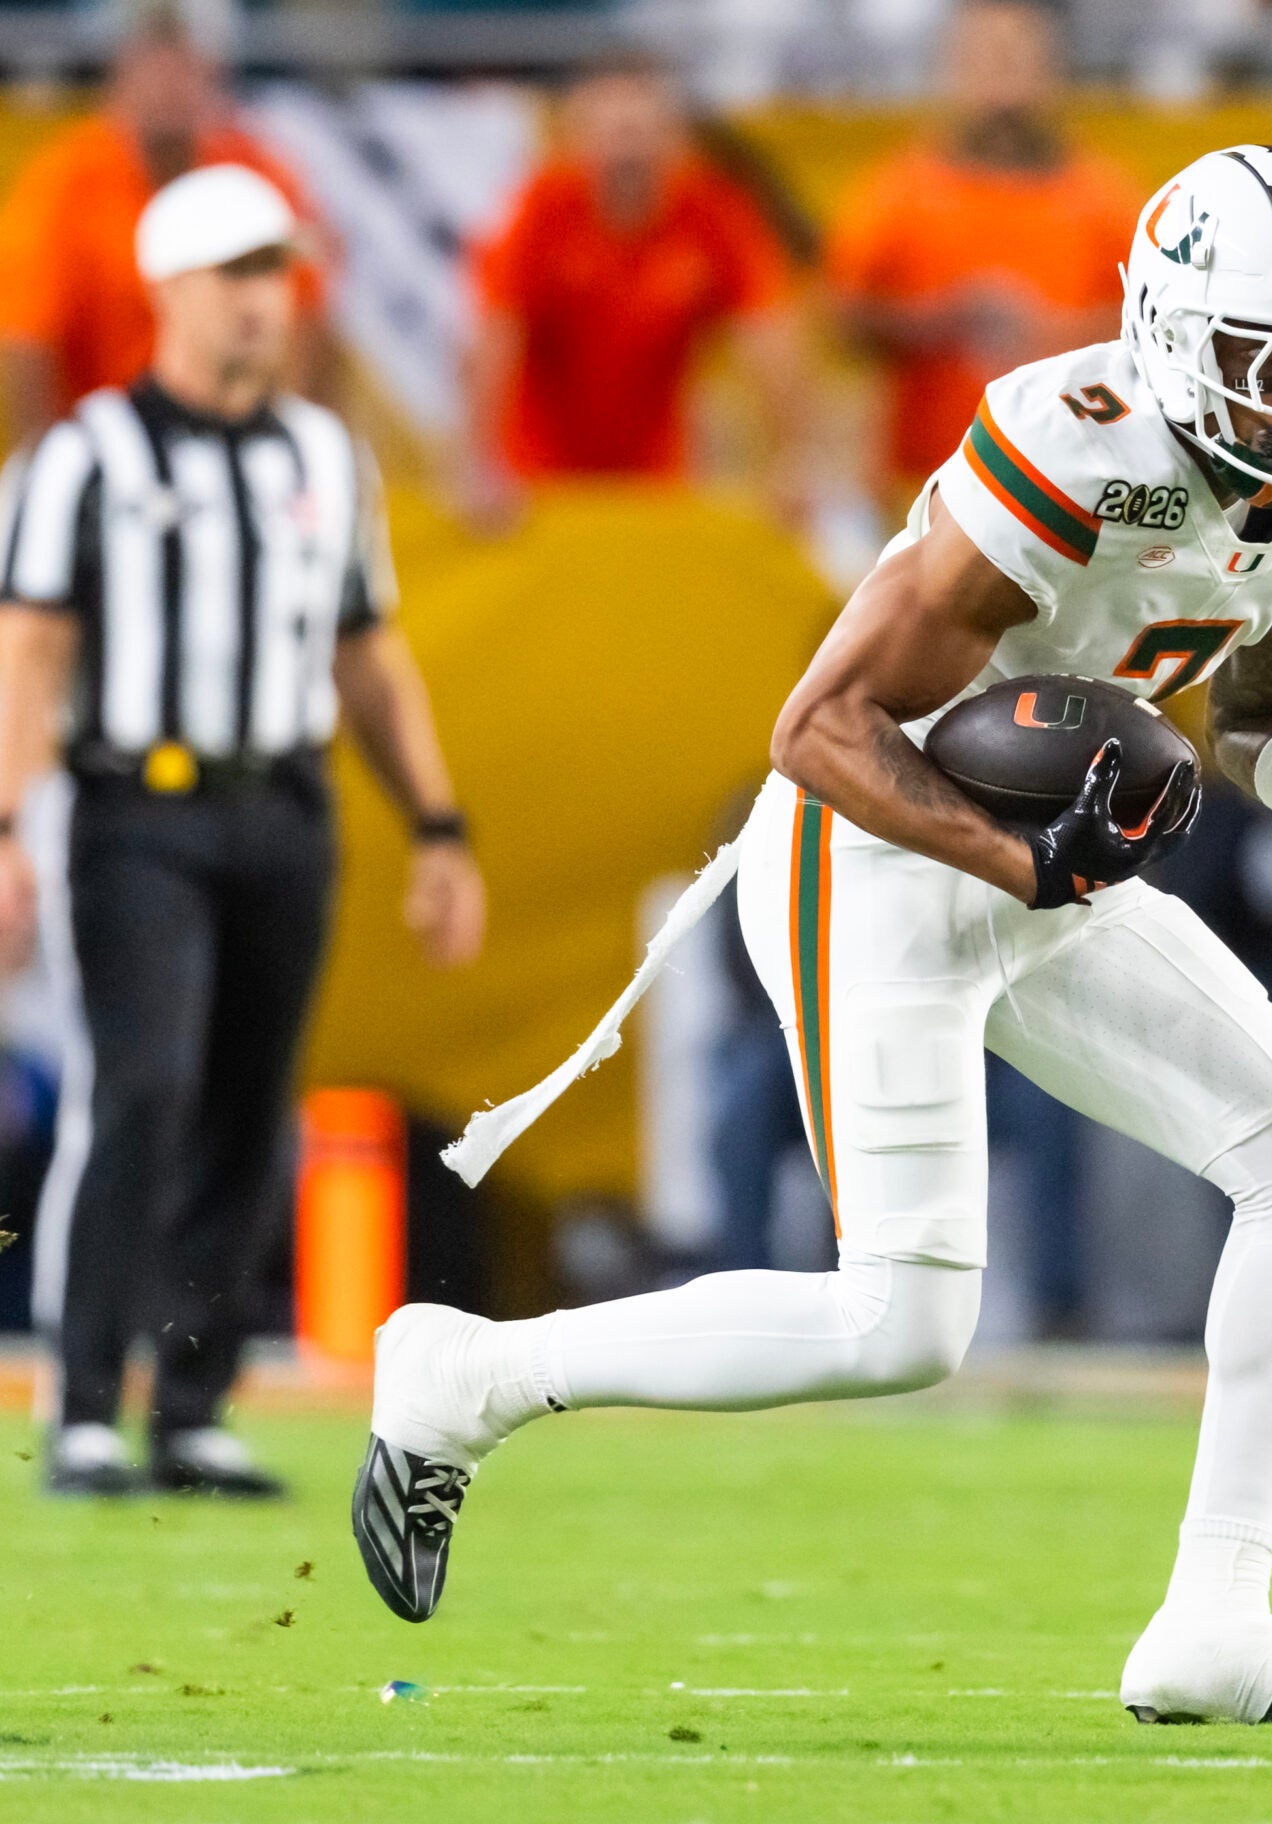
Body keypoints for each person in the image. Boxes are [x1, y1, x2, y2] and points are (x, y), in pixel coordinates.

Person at [354, 146, 1272, 1730]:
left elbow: (1257, 717)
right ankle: (462, 1376)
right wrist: (1018, 852)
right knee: (903, 1322)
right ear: (1169, 329)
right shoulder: (1073, 448)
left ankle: (1216, 1626)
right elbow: (816, 726)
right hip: (866, 853)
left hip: (1040, 863)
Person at [0, 165, 484, 1498]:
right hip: (132, 805)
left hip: (284, 803)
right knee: (139, 1090)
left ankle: (196, 1400)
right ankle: (88, 1398)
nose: (265, 302)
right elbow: (31, 646)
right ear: (167, 288)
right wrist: (4, 825)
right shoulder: (82, 457)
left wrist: (439, 824)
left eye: (277, 274)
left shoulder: (323, 455)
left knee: (248, 1104)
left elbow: (368, 651)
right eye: (237, 274)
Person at [459, 53, 813, 530]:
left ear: (675, 141)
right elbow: (493, 334)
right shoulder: (538, 210)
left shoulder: (711, 215)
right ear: (577, 141)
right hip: (540, 472)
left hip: (658, 472)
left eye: (643, 134)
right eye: (613, 135)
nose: (629, 154)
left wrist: (792, 459)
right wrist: (481, 461)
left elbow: (771, 338)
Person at [824, 0, 1134, 496]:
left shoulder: (1102, 199)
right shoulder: (901, 193)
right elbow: (841, 318)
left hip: (1072, 491)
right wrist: (938, 321)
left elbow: (1151, 330)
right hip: (927, 484)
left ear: (1051, 70)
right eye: (985, 57)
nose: (1002, 80)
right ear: (953, 68)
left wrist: (1053, 334)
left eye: (1016, 58)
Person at [0, 8, 327, 439]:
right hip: (106, 439)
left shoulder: (256, 175)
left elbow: (308, 317)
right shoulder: (64, 185)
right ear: (121, 71)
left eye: (186, 66)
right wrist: (53, 455)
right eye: (155, 65)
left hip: (238, 430)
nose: (170, 86)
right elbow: (25, 339)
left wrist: (287, 444)